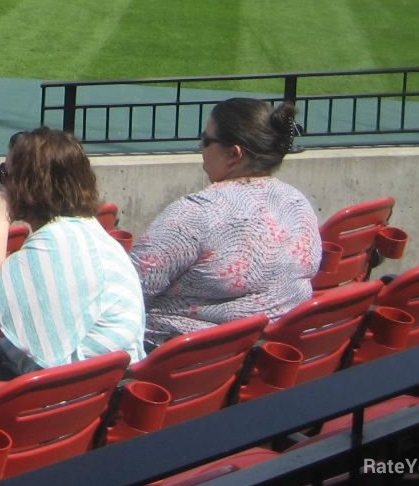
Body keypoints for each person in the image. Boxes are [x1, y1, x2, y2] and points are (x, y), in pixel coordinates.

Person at [130, 98, 320, 348]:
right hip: (264, 359)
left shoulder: (195, 214)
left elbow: (126, 289)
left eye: (206, 139)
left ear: (234, 154)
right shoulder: (297, 203)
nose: (201, 146)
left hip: (180, 364)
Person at [0, 128, 145, 371]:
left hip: (72, 395)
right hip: (104, 388)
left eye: (5, 174)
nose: (1, 186)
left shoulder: (56, 242)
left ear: (27, 185)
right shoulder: (86, 234)